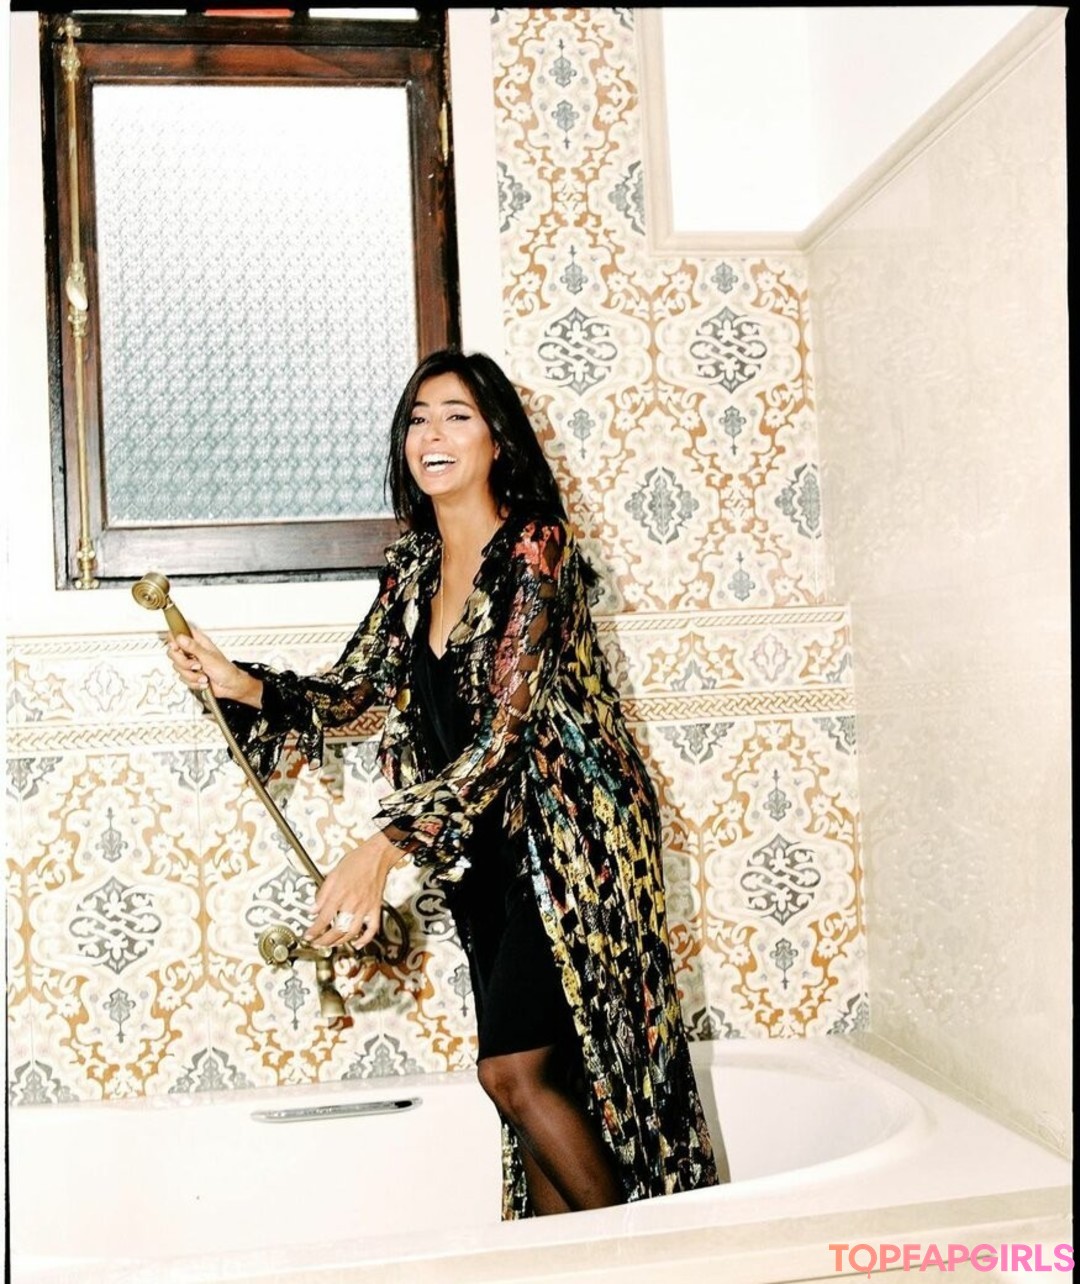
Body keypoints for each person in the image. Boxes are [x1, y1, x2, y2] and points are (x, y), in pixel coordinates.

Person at [167, 349, 721, 1218]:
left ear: (498, 439)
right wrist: (239, 683)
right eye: (419, 418)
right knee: (537, 1089)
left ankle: (649, 1263)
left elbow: (506, 731)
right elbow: (355, 693)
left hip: (575, 844)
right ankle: (563, 1267)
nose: (434, 432)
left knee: (512, 1073)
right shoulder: (414, 568)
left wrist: (381, 850)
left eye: (458, 415)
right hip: (481, 848)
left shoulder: (536, 547)